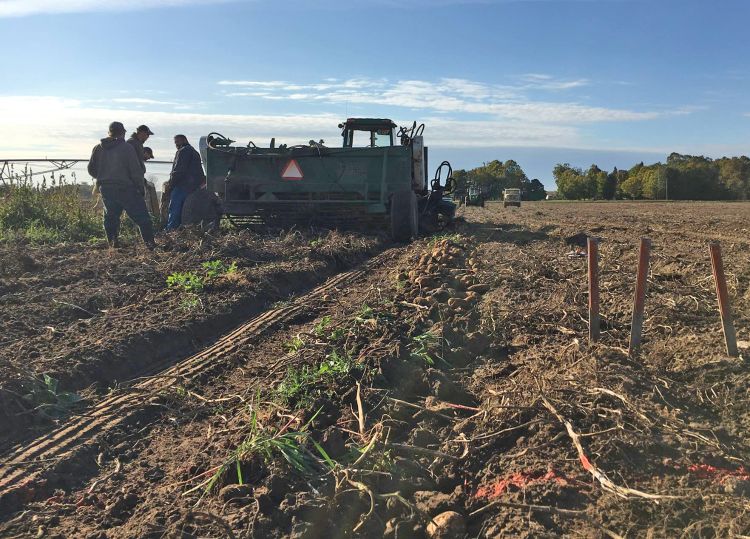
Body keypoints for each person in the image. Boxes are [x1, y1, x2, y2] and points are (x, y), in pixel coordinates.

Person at [88, 121, 156, 249]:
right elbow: (135, 171)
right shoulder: (127, 148)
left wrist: (104, 176)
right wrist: (140, 189)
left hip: (106, 189)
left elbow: (92, 170)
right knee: (143, 219)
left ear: (109, 132)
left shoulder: (98, 148)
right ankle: (150, 246)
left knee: (111, 219)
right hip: (126, 189)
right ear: (123, 133)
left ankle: (113, 246)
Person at [164, 134, 206, 230]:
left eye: (177, 142)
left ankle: (171, 230)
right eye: (175, 143)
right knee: (186, 211)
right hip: (193, 186)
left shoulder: (183, 151)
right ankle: (184, 230)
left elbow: (178, 170)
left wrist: (171, 184)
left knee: (174, 209)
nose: (176, 144)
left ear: (184, 140)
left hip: (182, 185)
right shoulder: (195, 152)